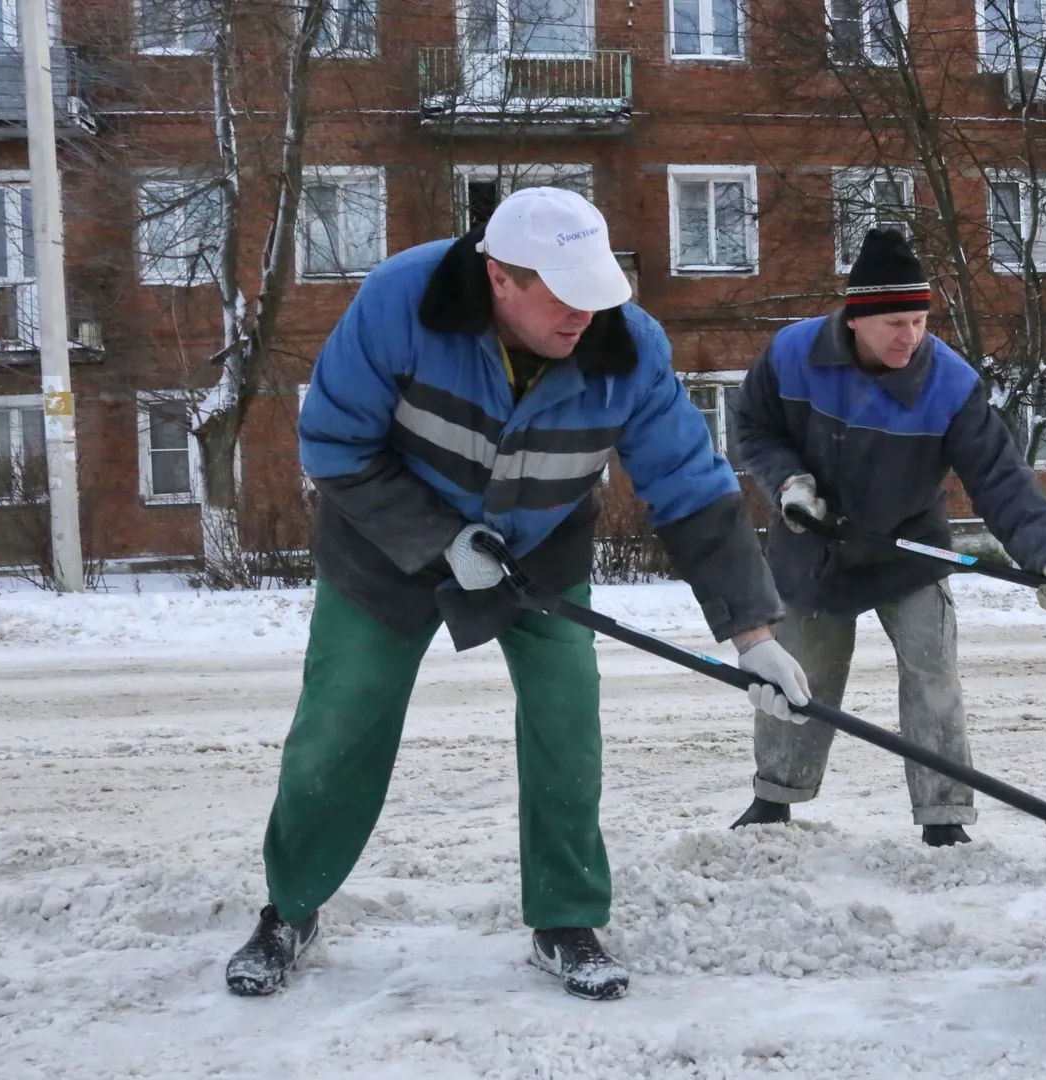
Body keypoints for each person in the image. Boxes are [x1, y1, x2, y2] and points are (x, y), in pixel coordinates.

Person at [223, 187, 812, 1002]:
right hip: (383, 550)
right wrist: (440, 539)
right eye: (564, 297)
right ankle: (289, 909)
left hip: (537, 551)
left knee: (567, 724)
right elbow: (333, 444)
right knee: (340, 723)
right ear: (500, 277)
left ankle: (566, 918)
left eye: (596, 293)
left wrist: (754, 636)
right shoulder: (400, 304)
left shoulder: (629, 346)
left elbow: (690, 486)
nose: (585, 317)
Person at [725, 228, 1046, 846]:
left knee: (932, 676)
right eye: (895, 322)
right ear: (856, 319)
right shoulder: (792, 354)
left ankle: (944, 817)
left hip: (908, 549)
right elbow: (752, 427)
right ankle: (774, 798)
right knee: (799, 674)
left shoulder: (950, 383)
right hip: (812, 544)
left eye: (919, 321)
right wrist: (790, 482)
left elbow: (1000, 477)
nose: (910, 337)